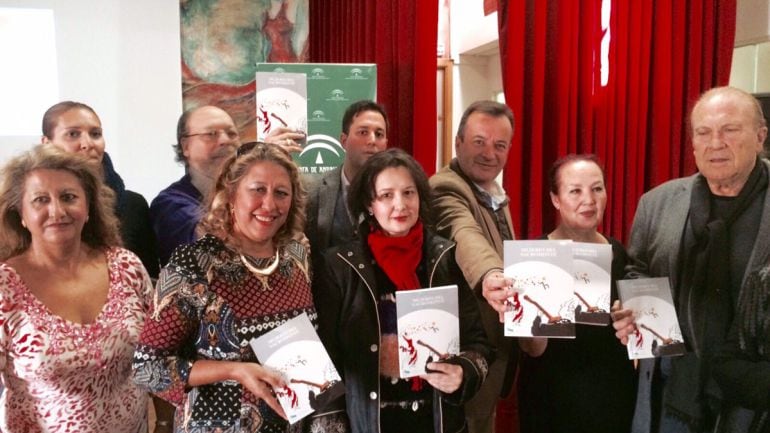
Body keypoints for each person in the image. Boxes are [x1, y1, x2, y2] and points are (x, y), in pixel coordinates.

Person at [134, 142, 342, 432]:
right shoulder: (195, 264)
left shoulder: (297, 255)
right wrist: (234, 371)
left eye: (281, 193)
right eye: (258, 189)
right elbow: (147, 368)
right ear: (231, 195)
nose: (269, 204)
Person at [611, 86, 770, 433]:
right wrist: (635, 310)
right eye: (703, 132)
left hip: (757, 395)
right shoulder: (657, 203)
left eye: (730, 129)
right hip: (673, 388)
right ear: (693, 144)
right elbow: (637, 269)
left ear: (760, 138)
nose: (716, 142)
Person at [313, 148, 494, 433]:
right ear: (369, 204)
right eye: (387, 195)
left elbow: (478, 342)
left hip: (434, 421)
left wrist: (463, 372)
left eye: (409, 193)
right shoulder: (340, 266)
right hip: (367, 424)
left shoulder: (443, 257)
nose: (401, 204)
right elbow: (325, 358)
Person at [0, 145, 160, 432]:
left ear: (88, 207)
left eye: (69, 197)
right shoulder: (4, 288)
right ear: (20, 214)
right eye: (40, 200)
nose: (57, 210)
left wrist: (162, 423)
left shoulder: (127, 267)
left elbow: (158, 355)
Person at [512, 155, 636, 433]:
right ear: (556, 199)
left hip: (612, 393)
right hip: (551, 397)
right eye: (575, 191)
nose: (589, 200)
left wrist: (629, 320)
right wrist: (528, 316)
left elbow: (634, 336)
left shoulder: (619, 253)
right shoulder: (534, 257)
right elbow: (533, 349)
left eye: (597, 188)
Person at [429, 100, 517, 433]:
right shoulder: (446, 187)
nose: (489, 154)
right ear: (458, 143)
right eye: (479, 142)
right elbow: (463, 232)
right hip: (466, 357)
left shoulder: (493, 192)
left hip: (495, 354)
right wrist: (490, 275)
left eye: (499, 146)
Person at [150, 106, 304, 265]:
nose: (225, 140)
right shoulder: (170, 203)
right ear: (185, 146)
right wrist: (262, 156)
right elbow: (210, 244)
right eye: (211, 134)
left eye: (231, 134)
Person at [41, 101, 160, 278]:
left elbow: (149, 283)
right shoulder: (31, 208)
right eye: (73, 134)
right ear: (47, 143)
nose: (87, 143)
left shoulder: (133, 205)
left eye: (95, 134)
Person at [305, 99, 388, 260]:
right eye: (363, 132)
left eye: (379, 134)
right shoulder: (312, 193)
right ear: (344, 141)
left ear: (386, 143)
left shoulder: (400, 195)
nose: (372, 140)